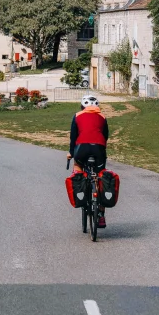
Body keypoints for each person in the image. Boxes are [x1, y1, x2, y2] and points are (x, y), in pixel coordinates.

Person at [67, 93, 109, 228]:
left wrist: (71, 153)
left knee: (78, 167)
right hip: (99, 150)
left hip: (81, 150)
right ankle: (101, 215)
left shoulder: (77, 116)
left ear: (82, 106)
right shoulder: (102, 117)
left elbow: (73, 137)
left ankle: (81, 191)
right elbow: (105, 136)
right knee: (100, 176)